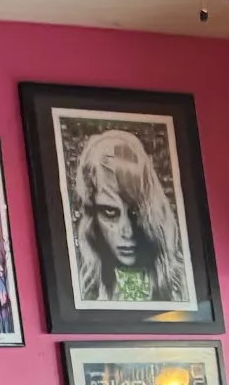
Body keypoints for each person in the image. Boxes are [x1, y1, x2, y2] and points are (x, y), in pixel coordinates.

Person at [68, 129, 190, 305]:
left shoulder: (178, 284)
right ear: (92, 213)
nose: (127, 230)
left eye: (135, 211)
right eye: (110, 212)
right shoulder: (82, 288)